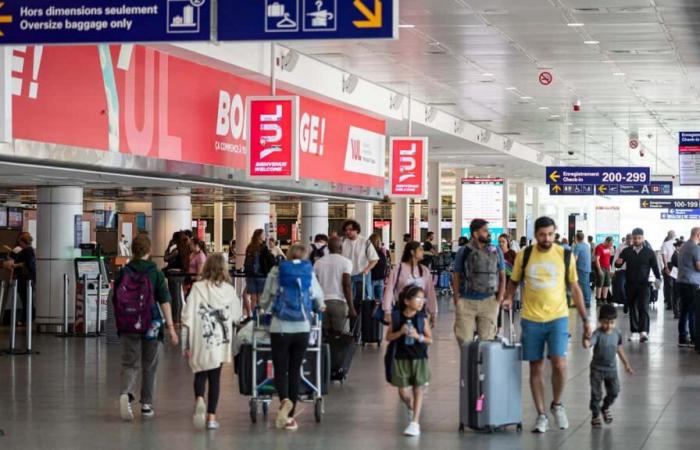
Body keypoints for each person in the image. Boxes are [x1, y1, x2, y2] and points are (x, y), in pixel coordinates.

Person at [504, 216, 592, 433]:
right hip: (531, 319)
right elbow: (514, 281)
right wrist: (507, 297)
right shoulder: (524, 256)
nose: (546, 238)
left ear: (555, 233)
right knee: (536, 367)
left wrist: (585, 318)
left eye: (550, 234)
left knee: (560, 364)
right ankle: (541, 414)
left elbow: (575, 288)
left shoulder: (564, 255)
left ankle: (557, 404)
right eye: (542, 235)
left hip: (558, 317)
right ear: (536, 234)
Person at [259, 243, 325, 431]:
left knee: (280, 369)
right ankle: (290, 418)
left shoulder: (276, 271)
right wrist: (320, 306)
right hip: (302, 327)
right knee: (295, 370)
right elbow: (318, 297)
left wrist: (264, 307)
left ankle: (284, 400)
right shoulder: (307, 271)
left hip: (279, 327)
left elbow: (265, 300)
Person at [115, 234, 178, 421]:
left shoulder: (123, 272)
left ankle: (126, 395)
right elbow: (165, 301)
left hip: (129, 324)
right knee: (149, 366)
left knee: (129, 363)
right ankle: (146, 405)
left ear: (133, 250)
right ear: (149, 251)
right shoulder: (155, 273)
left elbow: (115, 300)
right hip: (151, 325)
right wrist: (172, 329)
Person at [181, 253, 242, 430]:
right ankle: (211, 417)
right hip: (220, 340)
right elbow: (237, 316)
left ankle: (200, 398)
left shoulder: (198, 287)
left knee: (200, 373)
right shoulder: (229, 290)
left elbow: (187, 315)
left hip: (201, 337)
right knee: (215, 378)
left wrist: (186, 344)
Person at [385, 285, 433, 437]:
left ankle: (415, 423)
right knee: (402, 391)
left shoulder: (421, 319)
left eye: (422, 299)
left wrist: (417, 336)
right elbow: (388, 337)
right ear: (407, 301)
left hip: (419, 357)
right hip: (401, 357)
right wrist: (400, 332)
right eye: (417, 298)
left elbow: (429, 339)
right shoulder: (397, 317)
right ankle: (411, 407)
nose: (421, 302)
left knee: (418, 389)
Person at [451, 219, 506, 345]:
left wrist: (498, 299)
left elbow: (502, 275)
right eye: (485, 231)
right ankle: (469, 364)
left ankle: (483, 365)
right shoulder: (463, 251)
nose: (488, 233)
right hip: (466, 302)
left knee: (486, 343)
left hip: (489, 302)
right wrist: (456, 299)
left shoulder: (496, 251)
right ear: (475, 234)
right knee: (465, 341)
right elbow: (456, 275)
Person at [583, 304, 634, 428]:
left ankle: (605, 407)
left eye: (611, 322)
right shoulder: (597, 333)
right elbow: (589, 344)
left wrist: (626, 364)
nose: (609, 325)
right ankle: (595, 415)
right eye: (605, 322)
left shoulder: (617, 333)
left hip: (611, 369)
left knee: (614, 391)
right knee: (596, 394)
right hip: (597, 369)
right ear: (600, 321)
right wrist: (586, 340)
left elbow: (619, 349)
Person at [614, 228, 661, 343]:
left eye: (639, 238)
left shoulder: (649, 252)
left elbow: (655, 267)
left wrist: (658, 279)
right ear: (632, 238)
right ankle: (634, 332)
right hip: (630, 284)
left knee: (643, 307)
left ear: (643, 238)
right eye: (635, 238)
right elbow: (618, 265)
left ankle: (643, 332)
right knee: (632, 308)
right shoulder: (627, 251)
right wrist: (617, 263)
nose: (636, 240)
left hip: (644, 285)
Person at [383, 241, 438, 326]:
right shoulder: (398, 269)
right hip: (401, 311)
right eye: (420, 250)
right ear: (412, 252)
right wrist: (387, 310)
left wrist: (433, 312)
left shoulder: (424, 271)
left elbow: (430, 293)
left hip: (419, 312)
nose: (422, 252)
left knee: (418, 337)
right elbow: (389, 290)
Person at [314, 236, 356, 333]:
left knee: (325, 336)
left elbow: (314, 285)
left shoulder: (318, 263)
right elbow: (347, 285)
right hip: (339, 303)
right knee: (340, 336)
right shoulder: (346, 262)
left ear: (328, 248)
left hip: (322, 303)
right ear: (341, 247)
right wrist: (351, 307)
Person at [341, 219, 379, 305]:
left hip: (362, 274)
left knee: (364, 298)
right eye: (346, 230)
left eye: (350, 230)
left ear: (356, 230)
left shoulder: (365, 242)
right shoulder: (342, 241)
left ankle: (364, 316)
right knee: (347, 298)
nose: (348, 232)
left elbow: (374, 259)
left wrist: (367, 269)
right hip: (346, 274)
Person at [676, 227, 700, 348]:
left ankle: (682, 337)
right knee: (692, 312)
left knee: (684, 311)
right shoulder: (695, 248)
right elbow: (698, 266)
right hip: (691, 283)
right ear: (698, 234)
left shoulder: (684, 246)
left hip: (682, 282)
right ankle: (693, 338)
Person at [243, 229, 276, 315]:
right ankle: (260, 317)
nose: (264, 235)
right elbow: (269, 260)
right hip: (261, 275)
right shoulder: (263, 247)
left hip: (250, 275)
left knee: (253, 298)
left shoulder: (249, 247)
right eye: (263, 234)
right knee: (260, 297)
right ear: (259, 236)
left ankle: (254, 317)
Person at [11, 232, 36, 325]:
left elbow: (28, 264)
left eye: (20, 242)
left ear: (23, 242)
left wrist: (16, 265)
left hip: (24, 279)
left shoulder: (27, 251)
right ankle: (28, 318)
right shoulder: (30, 250)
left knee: (26, 300)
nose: (19, 244)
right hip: (27, 279)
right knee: (27, 300)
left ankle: (25, 319)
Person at [572, 232, 592, 308]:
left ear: (576, 238)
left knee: (583, 286)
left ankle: (586, 302)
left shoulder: (578, 246)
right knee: (586, 285)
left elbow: (574, 259)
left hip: (581, 268)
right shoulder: (587, 245)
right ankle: (584, 301)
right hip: (587, 268)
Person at [613, 234, 631, 312]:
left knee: (631, 287)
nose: (630, 241)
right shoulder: (621, 247)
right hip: (622, 270)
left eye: (631, 239)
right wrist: (612, 270)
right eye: (628, 239)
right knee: (620, 286)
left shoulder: (636, 246)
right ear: (626, 239)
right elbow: (615, 258)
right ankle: (625, 301)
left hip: (632, 271)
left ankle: (629, 302)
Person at [369, 233, 389, 304]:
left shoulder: (380, 252)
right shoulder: (380, 252)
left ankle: (372, 314)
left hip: (375, 279)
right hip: (376, 279)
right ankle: (376, 314)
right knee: (377, 301)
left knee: (373, 300)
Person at [661, 230, 677, 312]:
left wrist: (666, 267)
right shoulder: (679, 243)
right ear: (675, 235)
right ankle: (676, 305)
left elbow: (664, 256)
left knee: (668, 286)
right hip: (677, 266)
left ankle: (670, 305)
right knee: (676, 286)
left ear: (667, 235)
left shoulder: (665, 244)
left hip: (669, 265)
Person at [595, 237, 613, 304]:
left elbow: (608, 259)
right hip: (601, 267)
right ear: (606, 241)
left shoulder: (608, 248)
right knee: (600, 283)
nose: (611, 245)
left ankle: (604, 298)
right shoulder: (599, 247)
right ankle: (598, 299)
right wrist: (599, 270)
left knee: (607, 283)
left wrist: (610, 269)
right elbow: (597, 259)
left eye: (611, 244)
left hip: (607, 268)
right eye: (610, 244)